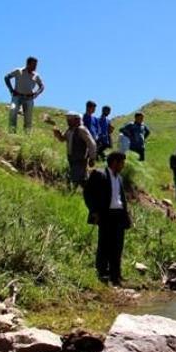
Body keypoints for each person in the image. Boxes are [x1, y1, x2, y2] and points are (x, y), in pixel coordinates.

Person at [83, 152, 131, 286]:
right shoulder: (99, 174)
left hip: (119, 215)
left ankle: (116, 276)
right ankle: (102, 274)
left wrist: (126, 215)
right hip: (106, 215)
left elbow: (121, 198)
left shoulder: (119, 178)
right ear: (115, 162)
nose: (123, 165)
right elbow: (88, 194)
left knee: (118, 246)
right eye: (122, 162)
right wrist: (94, 211)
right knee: (104, 245)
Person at [53, 112, 97, 188]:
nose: (68, 121)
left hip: (80, 159)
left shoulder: (81, 130)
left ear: (76, 120)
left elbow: (91, 143)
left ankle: (72, 193)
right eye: (68, 120)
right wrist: (58, 134)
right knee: (81, 178)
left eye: (70, 120)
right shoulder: (69, 130)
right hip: (72, 158)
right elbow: (62, 139)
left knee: (76, 178)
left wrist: (92, 158)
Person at [4, 56, 44, 133]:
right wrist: (11, 89)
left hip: (29, 98)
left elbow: (42, 86)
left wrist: (36, 93)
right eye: (34, 64)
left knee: (28, 117)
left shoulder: (36, 75)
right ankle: (12, 131)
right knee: (13, 110)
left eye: (36, 65)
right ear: (28, 64)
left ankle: (27, 134)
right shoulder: (18, 71)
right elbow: (6, 77)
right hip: (17, 96)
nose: (35, 67)